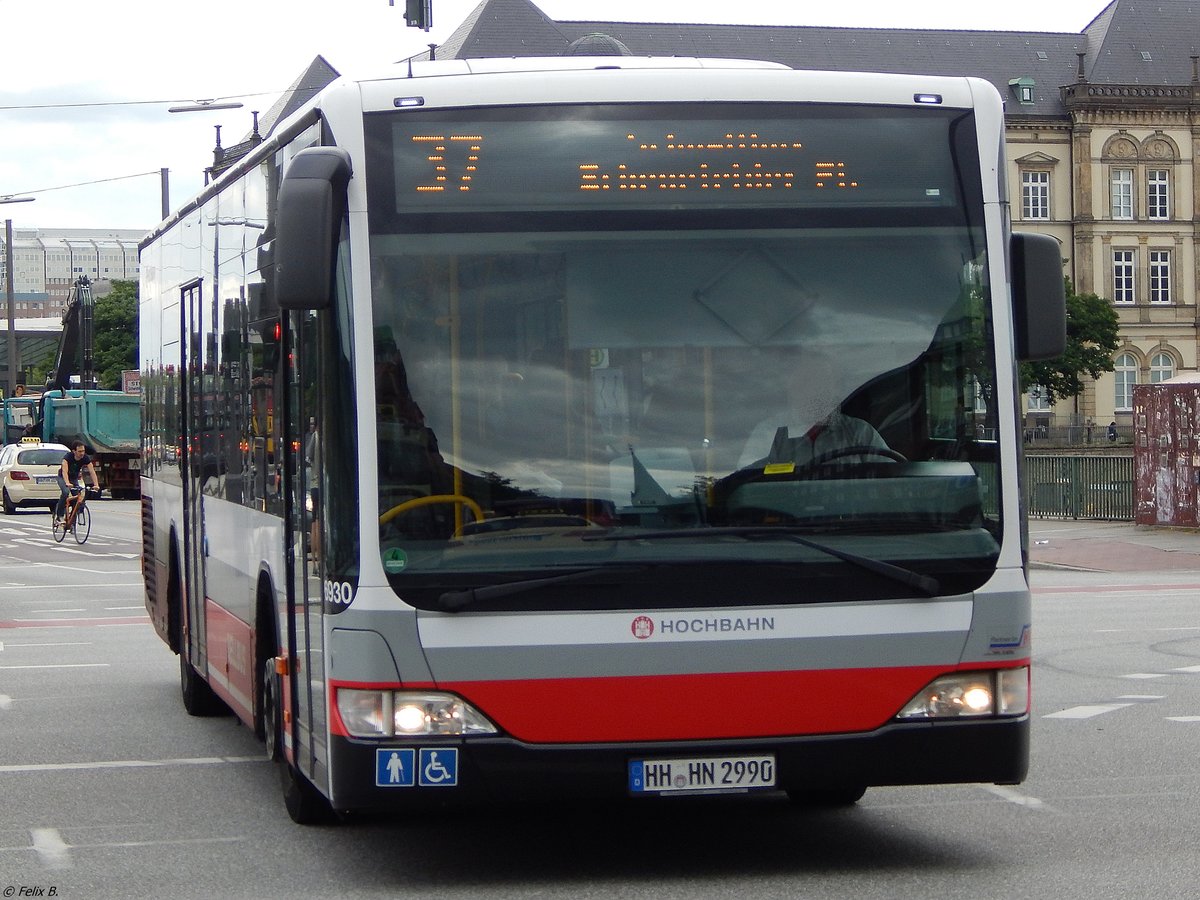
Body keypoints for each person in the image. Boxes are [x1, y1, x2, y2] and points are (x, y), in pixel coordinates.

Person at [737, 347, 892, 469]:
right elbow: (747, 485)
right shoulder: (768, 434)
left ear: (836, 390)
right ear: (792, 388)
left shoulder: (861, 433)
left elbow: (890, 481)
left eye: (823, 382)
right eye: (807, 382)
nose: (815, 390)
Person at [57, 440, 100, 525]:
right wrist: (67, 483)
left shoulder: (85, 458)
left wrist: (96, 485)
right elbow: (64, 471)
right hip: (63, 478)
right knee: (65, 493)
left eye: (83, 451)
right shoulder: (67, 458)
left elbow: (92, 471)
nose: (82, 453)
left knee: (77, 498)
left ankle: (72, 521)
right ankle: (59, 515)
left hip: (74, 478)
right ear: (74, 451)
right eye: (79, 451)